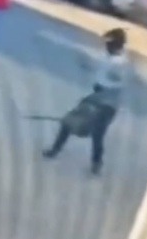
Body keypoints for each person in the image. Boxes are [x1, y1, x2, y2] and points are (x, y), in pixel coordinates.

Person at [43, 28, 132, 175]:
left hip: (107, 103)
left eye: (108, 44)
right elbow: (99, 68)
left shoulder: (121, 64)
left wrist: (102, 80)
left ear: (116, 45)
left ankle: (96, 163)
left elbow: (114, 82)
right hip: (97, 97)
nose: (106, 47)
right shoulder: (110, 57)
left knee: (97, 133)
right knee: (69, 122)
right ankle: (56, 150)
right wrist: (87, 65)